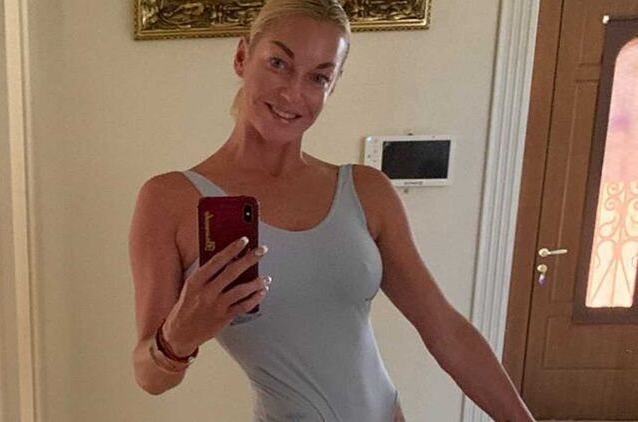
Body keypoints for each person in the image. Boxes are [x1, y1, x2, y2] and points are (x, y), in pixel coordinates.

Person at [129, 0, 535, 420]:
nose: (293, 93)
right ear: (242, 56)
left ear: (334, 84)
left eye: (319, 76)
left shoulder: (365, 191)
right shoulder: (171, 200)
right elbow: (149, 377)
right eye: (278, 64)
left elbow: (444, 329)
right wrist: (177, 338)